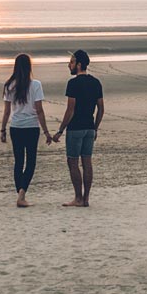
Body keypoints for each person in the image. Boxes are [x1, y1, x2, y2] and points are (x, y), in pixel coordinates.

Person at [51, 49, 104, 207]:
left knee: (73, 162)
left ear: (79, 64)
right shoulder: (96, 82)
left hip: (75, 129)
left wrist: (60, 130)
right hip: (89, 127)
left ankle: (78, 198)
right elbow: (101, 108)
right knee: (87, 162)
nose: (69, 65)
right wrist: (95, 128)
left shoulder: (73, 83)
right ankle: (86, 198)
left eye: (72, 62)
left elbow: (70, 110)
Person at [0, 53, 50, 207]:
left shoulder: (9, 85)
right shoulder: (35, 85)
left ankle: (20, 194)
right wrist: (46, 132)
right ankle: (22, 195)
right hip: (31, 128)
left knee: (18, 161)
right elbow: (39, 111)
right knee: (31, 162)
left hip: (16, 127)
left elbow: (7, 112)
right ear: (29, 67)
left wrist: (2, 129)